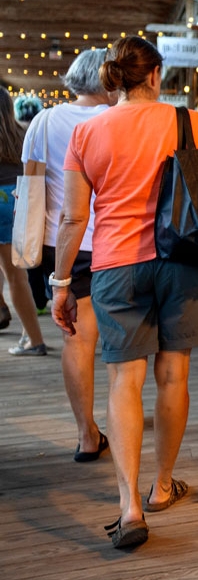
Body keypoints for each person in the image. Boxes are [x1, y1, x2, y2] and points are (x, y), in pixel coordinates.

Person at [52, 36, 198, 549]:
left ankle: (129, 505)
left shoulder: (86, 132)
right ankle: (161, 487)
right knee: (173, 374)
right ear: (155, 75)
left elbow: (73, 217)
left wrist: (62, 282)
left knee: (123, 382)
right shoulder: (188, 122)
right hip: (180, 263)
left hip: (114, 268)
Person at [20, 49, 116, 461]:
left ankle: (86, 436)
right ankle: (122, 416)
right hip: (120, 242)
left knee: (76, 339)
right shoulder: (117, 120)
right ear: (109, 80)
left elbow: (30, 181)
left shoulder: (43, 121)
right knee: (121, 341)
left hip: (65, 246)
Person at [1, 87, 48, 357]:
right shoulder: (22, 132)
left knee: (12, 279)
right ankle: (30, 335)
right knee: (18, 278)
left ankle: (35, 339)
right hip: (18, 201)